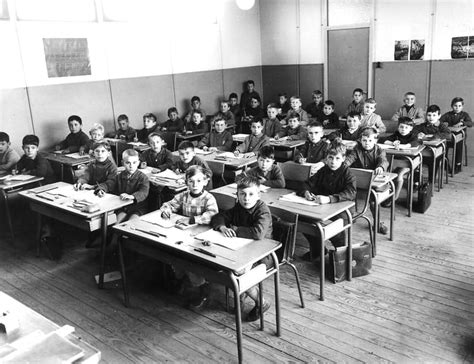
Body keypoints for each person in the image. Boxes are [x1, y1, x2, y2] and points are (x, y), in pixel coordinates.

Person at [211, 176, 273, 322]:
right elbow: (219, 216)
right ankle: (241, 296)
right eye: (242, 194)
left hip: (263, 253)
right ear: (237, 196)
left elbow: (257, 233)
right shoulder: (238, 208)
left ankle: (262, 301)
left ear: (258, 195)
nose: (246, 198)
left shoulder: (263, 210)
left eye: (251, 194)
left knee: (239, 272)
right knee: (226, 264)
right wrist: (222, 227)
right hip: (243, 249)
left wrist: (234, 228)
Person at [159, 165, 218, 309]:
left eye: (199, 181)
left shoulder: (208, 198)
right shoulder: (183, 195)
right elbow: (169, 204)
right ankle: (180, 278)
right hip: (184, 233)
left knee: (191, 261)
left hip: (201, 237)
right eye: (191, 181)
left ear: (205, 181)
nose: (195, 185)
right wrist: (166, 210)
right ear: (186, 182)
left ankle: (202, 288)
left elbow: (211, 214)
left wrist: (191, 220)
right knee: (174, 254)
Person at [297, 139, 356, 260]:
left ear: (344, 158)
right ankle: (318, 249)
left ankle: (341, 255)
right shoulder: (323, 170)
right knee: (302, 219)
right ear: (326, 158)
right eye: (330, 158)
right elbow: (307, 183)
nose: (333, 162)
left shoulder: (347, 173)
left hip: (343, 210)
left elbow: (351, 193)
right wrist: (306, 192)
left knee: (335, 229)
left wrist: (330, 199)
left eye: (337, 158)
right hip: (322, 208)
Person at [344, 127, 390, 234]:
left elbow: (383, 161)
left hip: (373, 181)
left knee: (373, 200)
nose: (367, 143)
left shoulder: (379, 150)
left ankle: (378, 222)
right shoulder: (357, 149)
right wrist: (344, 165)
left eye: (370, 140)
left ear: (375, 140)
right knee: (346, 193)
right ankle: (351, 215)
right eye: (364, 140)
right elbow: (350, 158)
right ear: (360, 140)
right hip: (359, 180)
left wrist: (381, 167)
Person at [105, 149, 149, 223]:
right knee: (116, 224)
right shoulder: (119, 176)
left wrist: (132, 196)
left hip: (138, 208)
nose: (131, 166)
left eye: (134, 162)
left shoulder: (143, 177)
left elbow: (143, 192)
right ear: (123, 163)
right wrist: (101, 189)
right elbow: (109, 184)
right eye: (128, 163)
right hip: (123, 207)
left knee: (131, 224)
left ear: (138, 163)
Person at [383, 117, 420, 202]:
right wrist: (392, 143)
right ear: (398, 127)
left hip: (407, 163)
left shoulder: (413, 136)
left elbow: (416, 142)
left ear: (411, 128)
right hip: (395, 161)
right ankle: (386, 194)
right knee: (387, 173)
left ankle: (394, 198)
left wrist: (406, 145)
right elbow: (383, 139)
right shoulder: (396, 135)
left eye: (406, 127)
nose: (403, 129)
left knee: (399, 174)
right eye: (401, 127)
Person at [415, 104, 451, 180]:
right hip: (423, 150)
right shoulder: (422, 125)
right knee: (415, 159)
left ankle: (431, 181)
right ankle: (416, 181)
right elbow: (413, 131)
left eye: (434, 115)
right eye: (429, 115)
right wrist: (418, 134)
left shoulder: (442, 126)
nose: (431, 118)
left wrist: (433, 136)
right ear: (426, 115)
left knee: (433, 161)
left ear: (439, 116)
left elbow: (448, 135)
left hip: (438, 152)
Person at [440, 97, 472, 173]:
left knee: (458, 146)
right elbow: (440, 120)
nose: (457, 108)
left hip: (460, 136)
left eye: (459, 106)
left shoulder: (464, 115)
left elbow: (470, 123)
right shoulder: (448, 114)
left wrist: (462, 123)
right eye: (455, 106)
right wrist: (444, 123)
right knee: (443, 145)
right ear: (451, 106)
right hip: (449, 136)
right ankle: (445, 163)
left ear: (462, 106)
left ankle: (458, 165)